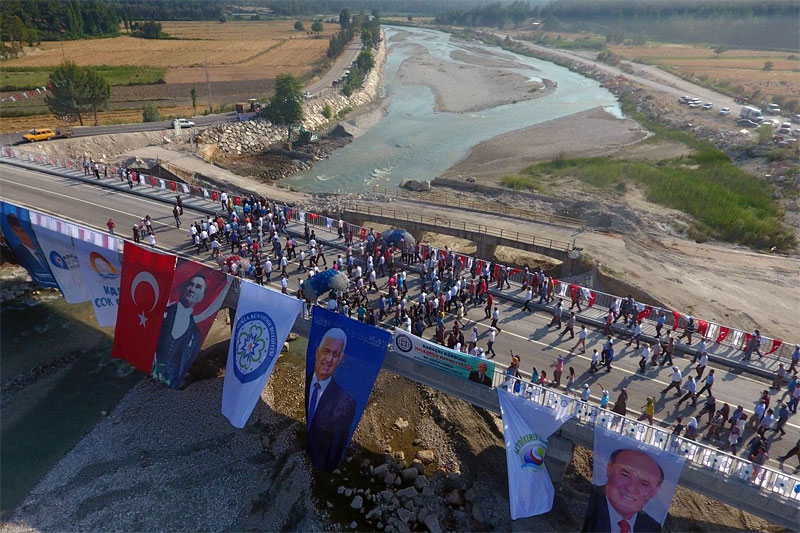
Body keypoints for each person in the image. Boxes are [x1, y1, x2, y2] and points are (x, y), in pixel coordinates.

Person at [152, 275, 218, 388]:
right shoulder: (162, 312)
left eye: (198, 287)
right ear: (183, 288)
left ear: (202, 297)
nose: (191, 289)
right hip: (153, 366)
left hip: (172, 378)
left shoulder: (195, 334)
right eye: (190, 284)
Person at [306, 328, 356, 471]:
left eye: (335, 355)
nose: (329, 360)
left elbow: (337, 443)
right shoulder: (307, 381)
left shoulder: (346, 403)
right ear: (317, 352)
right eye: (326, 351)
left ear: (340, 360)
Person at [583, 449, 665, 533]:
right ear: (609, 469)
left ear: (655, 491)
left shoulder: (651, 528)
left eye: (644, 484)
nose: (631, 488)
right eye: (625, 475)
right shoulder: (585, 502)